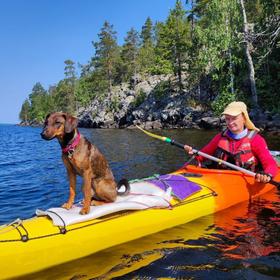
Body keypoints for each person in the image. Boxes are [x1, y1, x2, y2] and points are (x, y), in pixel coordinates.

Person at [184, 101, 278, 183]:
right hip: (220, 180)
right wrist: (193, 152)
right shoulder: (220, 138)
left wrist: (267, 175)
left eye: (234, 118)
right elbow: (201, 156)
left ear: (244, 118)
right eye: (227, 119)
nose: (230, 122)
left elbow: (270, 164)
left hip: (245, 181)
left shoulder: (256, 140)